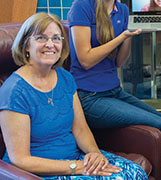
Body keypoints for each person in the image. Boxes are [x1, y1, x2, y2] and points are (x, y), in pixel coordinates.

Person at [0, 12, 148, 180]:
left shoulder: (65, 77)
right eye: (41, 38)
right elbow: (20, 159)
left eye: (56, 38)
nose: (50, 44)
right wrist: (75, 167)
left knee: (135, 172)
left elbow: (80, 128)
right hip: (39, 172)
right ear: (26, 45)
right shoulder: (14, 91)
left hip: (75, 159)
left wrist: (95, 154)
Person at [67, 0, 161, 130]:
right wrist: (122, 36)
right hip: (88, 96)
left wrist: (130, 34)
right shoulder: (81, 7)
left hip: (115, 91)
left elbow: (119, 61)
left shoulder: (122, 10)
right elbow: (86, 60)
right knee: (158, 124)